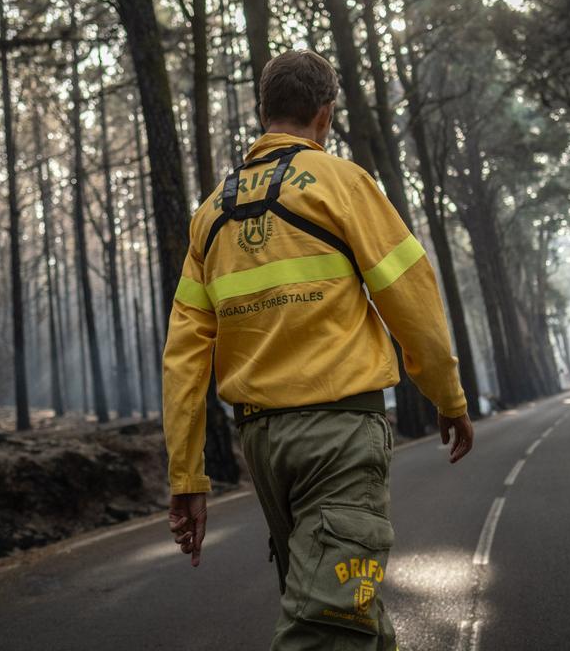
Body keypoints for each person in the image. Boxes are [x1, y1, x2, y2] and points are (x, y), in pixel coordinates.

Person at [162, 49, 474, 650]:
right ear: (325, 116)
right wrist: (448, 395)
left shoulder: (211, 216)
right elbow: (413, 300)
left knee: (348, 612)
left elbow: (183, 356)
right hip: (340, 435)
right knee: (328, 626)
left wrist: (187, 476)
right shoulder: (343, 183)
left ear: (264, 111)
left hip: (263, 444)